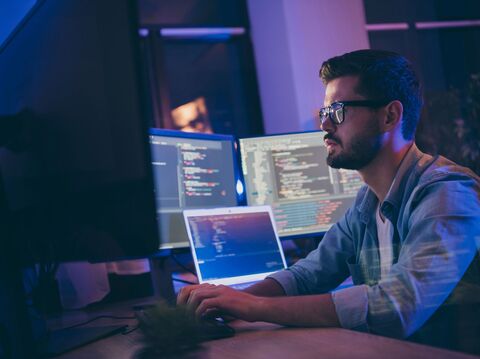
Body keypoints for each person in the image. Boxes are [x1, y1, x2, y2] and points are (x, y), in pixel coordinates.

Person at [177, 49, 480, 354]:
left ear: (390, 115)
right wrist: (228, 302)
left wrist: (254, 306)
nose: (324, 126)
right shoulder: (368, 203)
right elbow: (309, 275)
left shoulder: (448, 195)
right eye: (324, 113)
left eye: (337, 111)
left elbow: (396, 307)